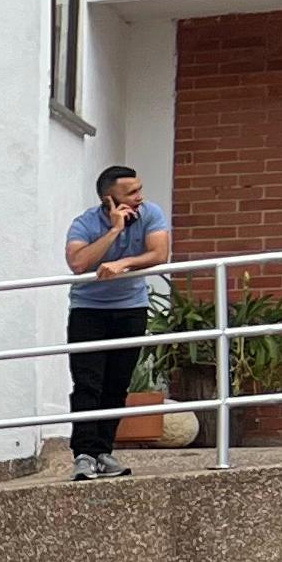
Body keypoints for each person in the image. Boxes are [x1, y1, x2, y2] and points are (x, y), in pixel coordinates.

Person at [65, 166, 173, 480]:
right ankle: (84, 454)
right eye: (132, 193)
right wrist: (113, 231)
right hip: (89, 310)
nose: (140, 197)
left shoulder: (151, 213)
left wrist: (123, 262)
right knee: (88, 383)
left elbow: (159, 253)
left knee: (116, 384)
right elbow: (78, 262)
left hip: (131, 309)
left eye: (140, 190)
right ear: (109, 199)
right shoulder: (85, 223)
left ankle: (104, 451)